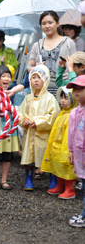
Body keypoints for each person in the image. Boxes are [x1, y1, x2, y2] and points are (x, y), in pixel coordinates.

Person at [18, 65, 59, 190]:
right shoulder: (27, 98)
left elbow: (53, 116)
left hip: (44, 135)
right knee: (29, 157)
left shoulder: (50, 99)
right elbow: (20, 113)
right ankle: (28, 180)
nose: (35, 80)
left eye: (39, 77)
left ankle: (53, 181)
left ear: (45, 80)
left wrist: (38, 122)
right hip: (30, 133)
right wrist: (23, 120)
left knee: (47, 157)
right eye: (33, 77)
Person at [27, 10, 76, 97]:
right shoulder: (37, 45)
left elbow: (75, 67)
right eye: (44, 23)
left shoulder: (68, 42)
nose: (47, 26)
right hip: (41, 90)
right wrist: (37, 68)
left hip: (64, 89)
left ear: (57, 23)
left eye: (50, 22)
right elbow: (29, 67)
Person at [41, 87, 77, 199]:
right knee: (58, 165)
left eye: (66, 98)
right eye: (61, 97)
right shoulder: (62, 113)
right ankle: (60, 186)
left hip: (68, 146)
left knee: (68, 167)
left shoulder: (73, 114)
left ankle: (70, 189)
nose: (62, 100)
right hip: (58, 145)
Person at [67, 75, 85, 227]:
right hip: (80, 156)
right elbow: (71, 134)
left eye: (81, 88)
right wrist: (71, 150)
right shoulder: (74, 112)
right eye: (74, 88)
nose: (76, 91)